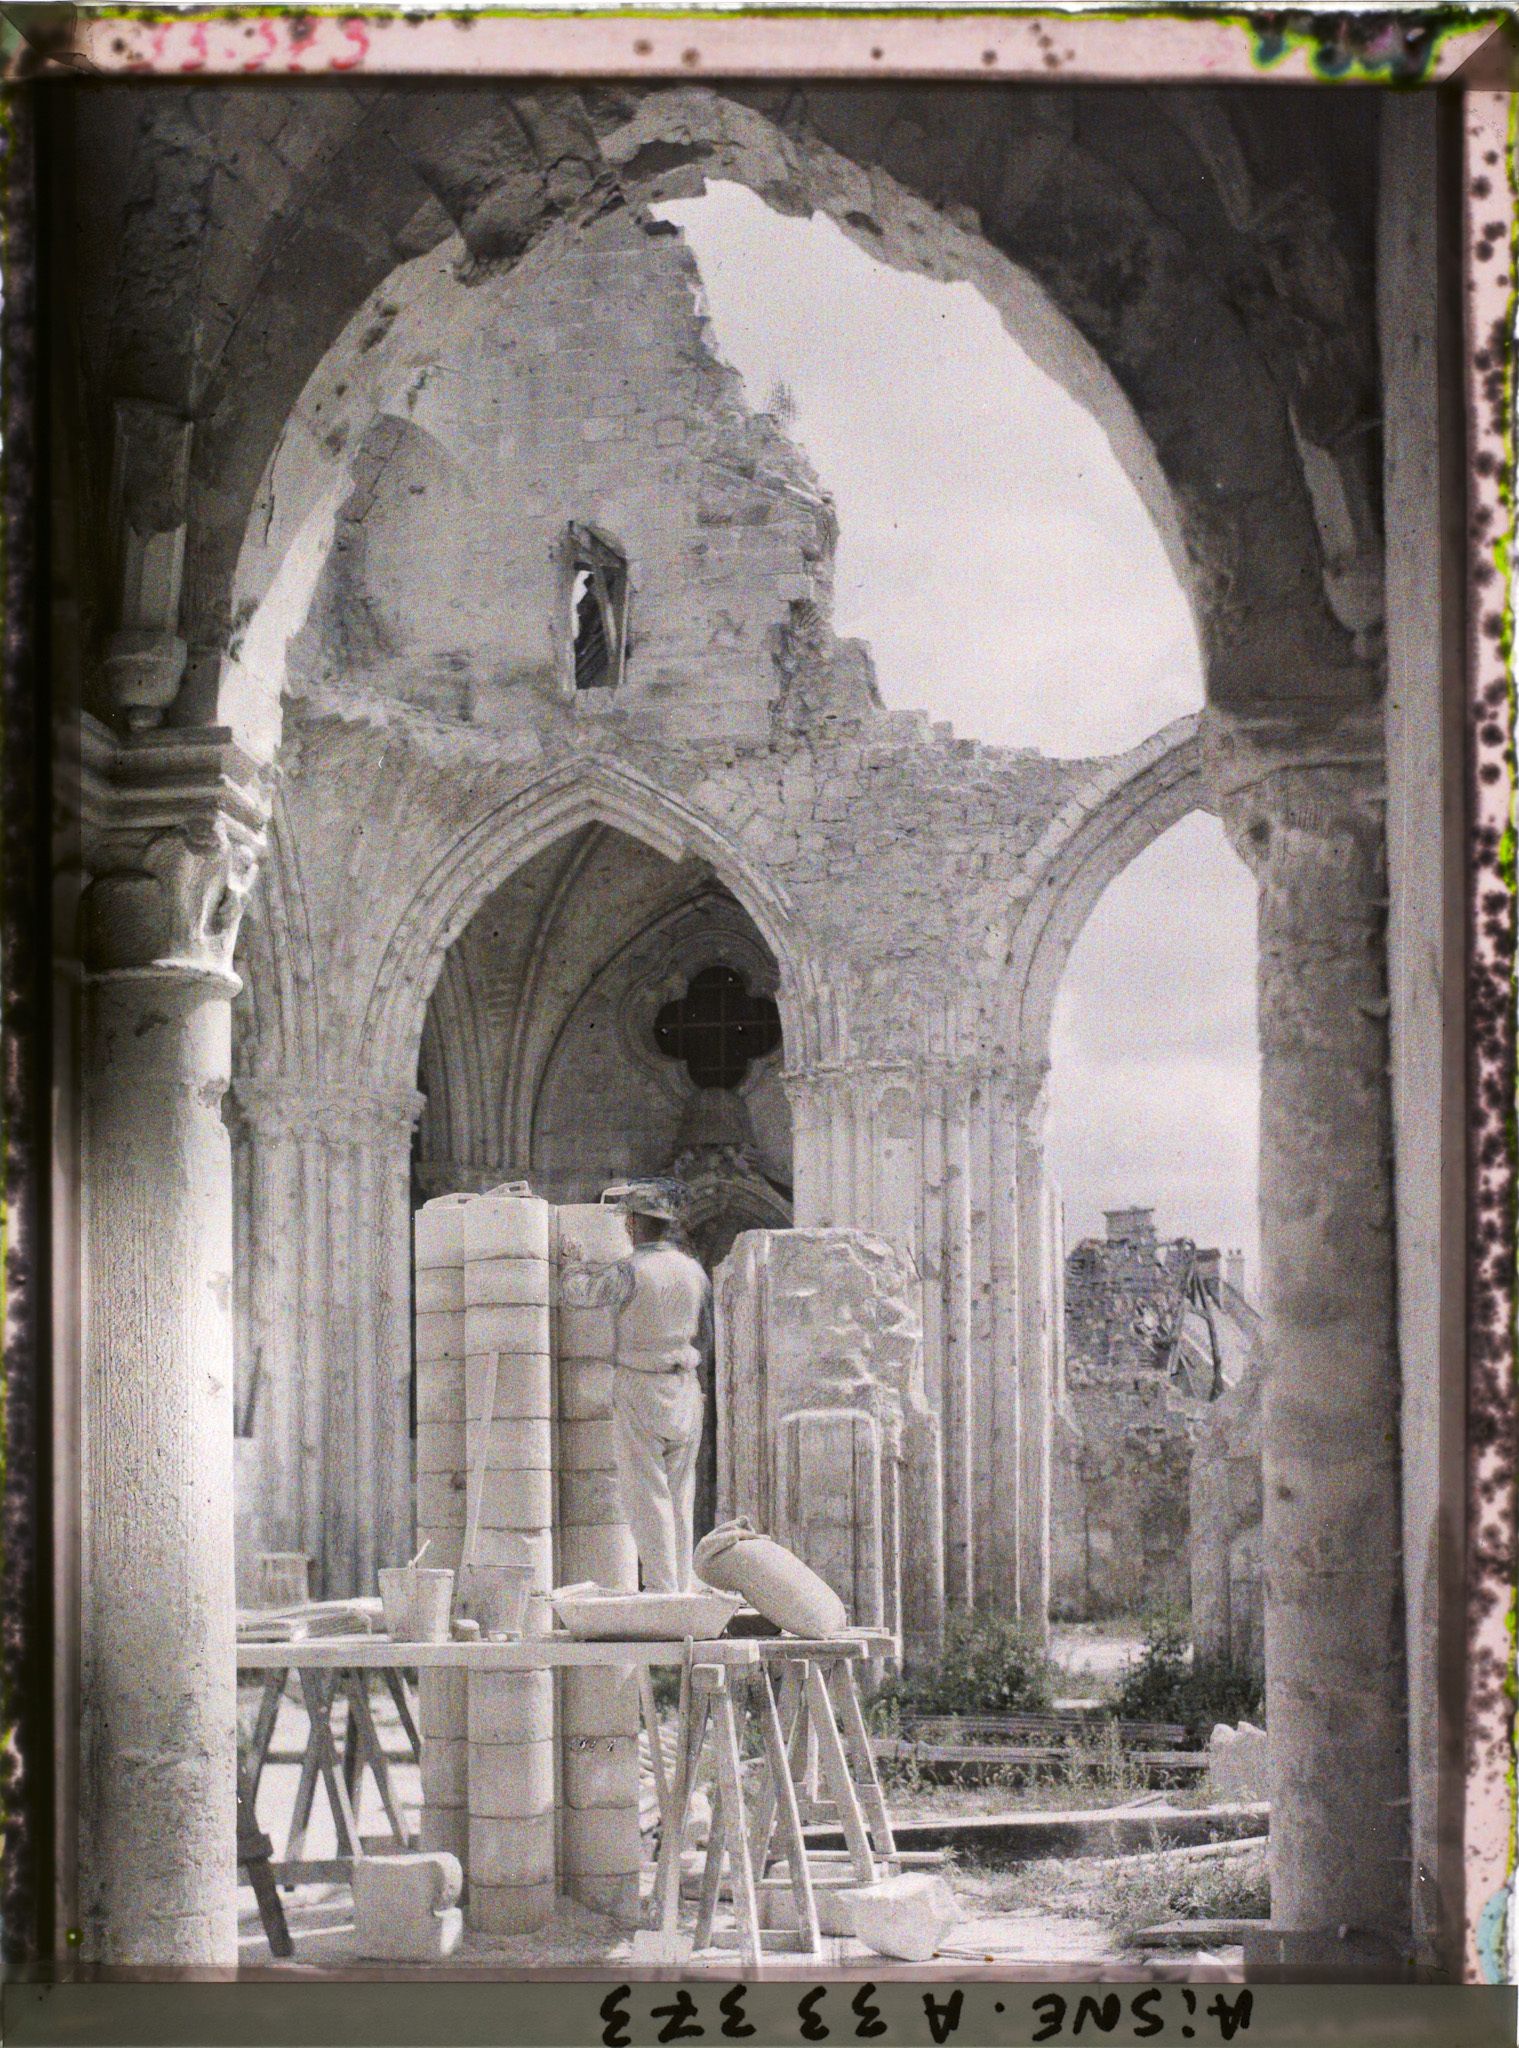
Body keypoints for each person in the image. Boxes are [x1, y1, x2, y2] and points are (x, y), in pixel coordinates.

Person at [560, 1178, 711, 1595]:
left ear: (635, 1225)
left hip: (641, 1386)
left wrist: (572, 1261)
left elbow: (581, 1294)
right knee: (681, 1495)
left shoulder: (631, 1271)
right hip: (684, 1387)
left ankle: (665, 1593)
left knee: (647, 1495)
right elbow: (707, 1336)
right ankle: (682, 1588)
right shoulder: (693, 1272)